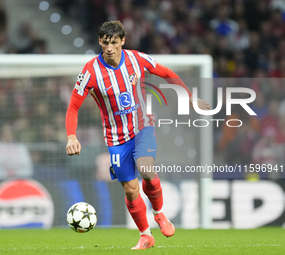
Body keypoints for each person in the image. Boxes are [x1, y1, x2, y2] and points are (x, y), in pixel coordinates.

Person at [65, 21, 210, 250]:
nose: (109, 47)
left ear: (122, 41)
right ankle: (145, 235)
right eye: (105, 42)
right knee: (131, 189)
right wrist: (71, 136)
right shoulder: (90, 71)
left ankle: (160, 213)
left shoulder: (137, 59)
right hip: (115, 139)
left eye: (114, 42)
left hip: (142, 127)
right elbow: (73, 107)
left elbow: (166, 73)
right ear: (99, 41)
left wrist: (190, 98)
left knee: (146, 170)